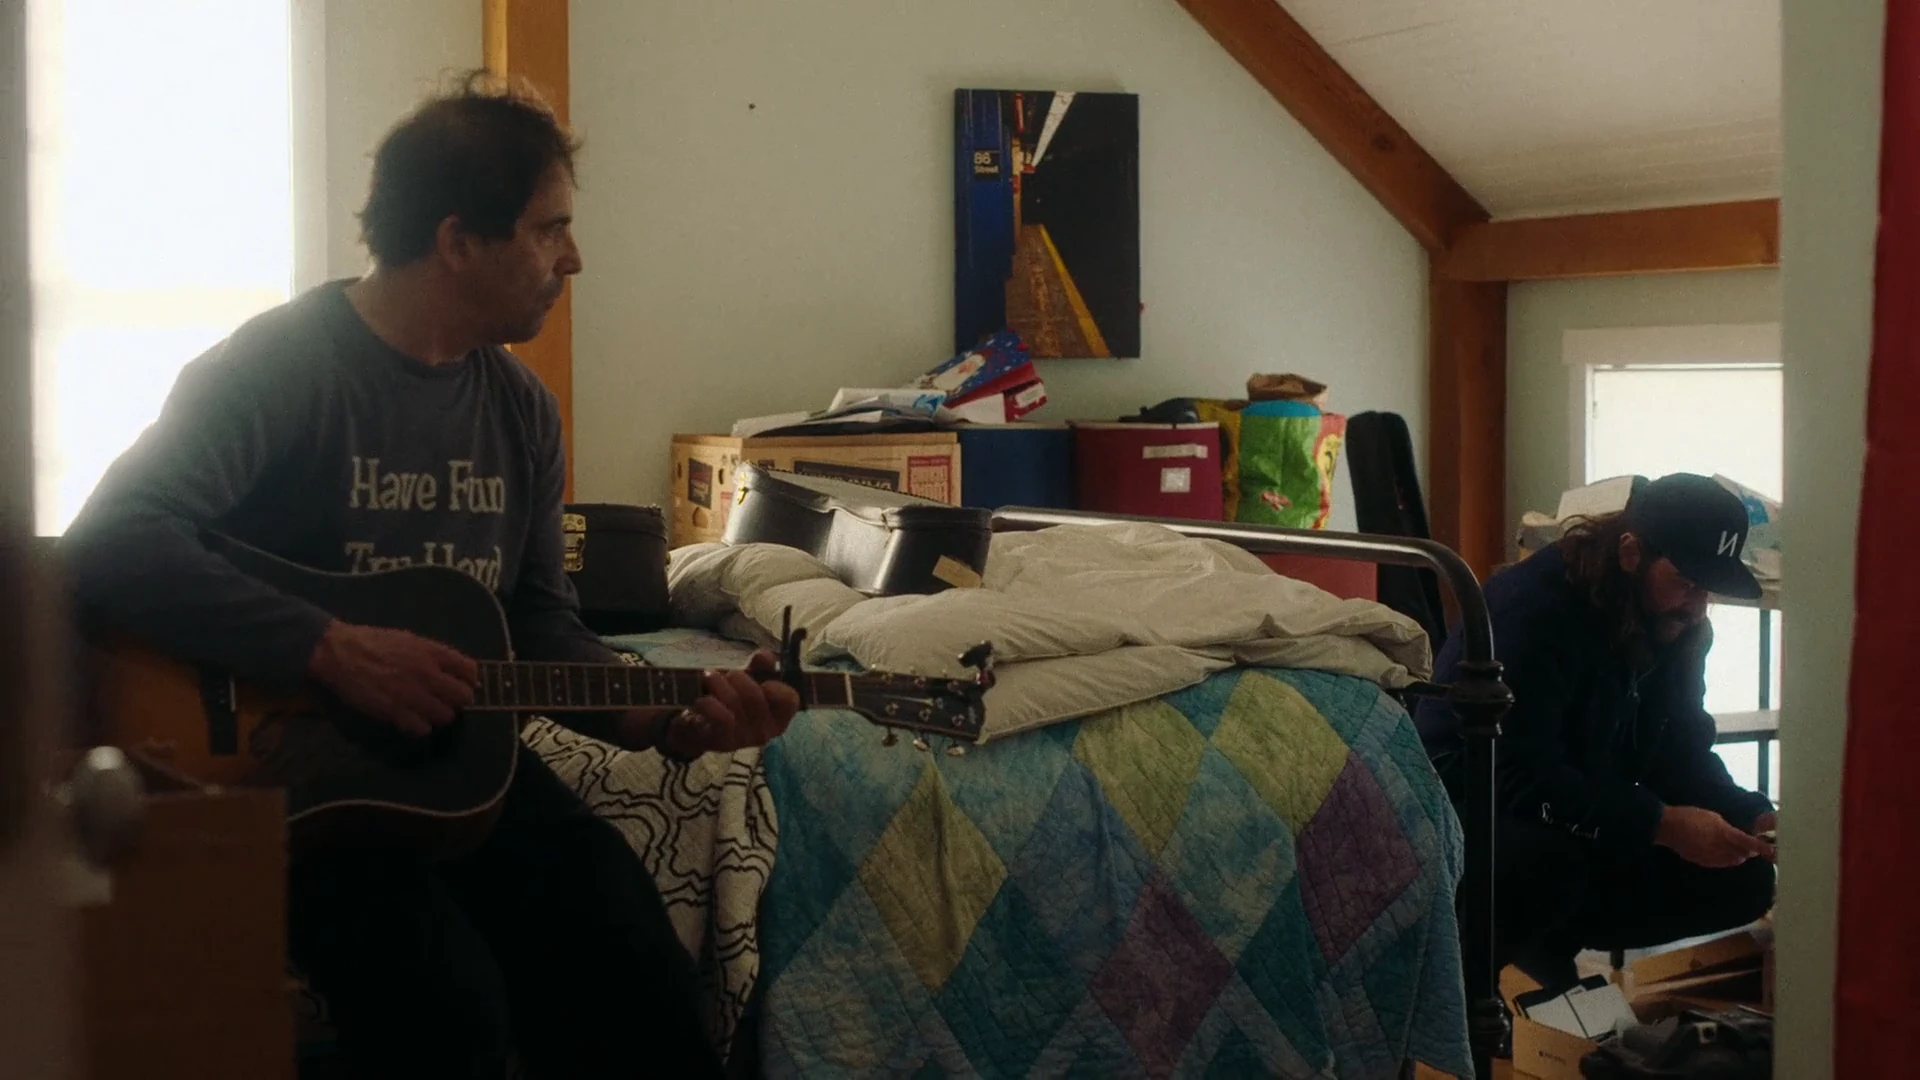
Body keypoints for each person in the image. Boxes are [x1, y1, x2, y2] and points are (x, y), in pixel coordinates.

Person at [58, 72, 797, 1078]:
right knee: (447, 1008)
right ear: (457, 241)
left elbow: (538, 626)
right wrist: (327, 648)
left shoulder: (522, 410)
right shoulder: (279, 370)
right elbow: (112, 537)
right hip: (287, 787)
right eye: (549, 229)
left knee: (633, 966)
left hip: (460, 775)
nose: (573, 258)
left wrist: (668, 717)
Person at [1415, 472, 1776, 993]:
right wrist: (1659, 823)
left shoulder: (1677, 624)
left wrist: (1750, 814)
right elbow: (1516, 775)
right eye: (1687, 582)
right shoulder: (1532, 611)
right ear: (1631, 552)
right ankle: (1476, 982)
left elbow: (1680, 751)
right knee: (1550, 863)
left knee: (1745, 878)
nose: (1697, 606)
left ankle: (1546, 942)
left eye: (1708, 589)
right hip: (1474, 809)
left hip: (1577, 807)